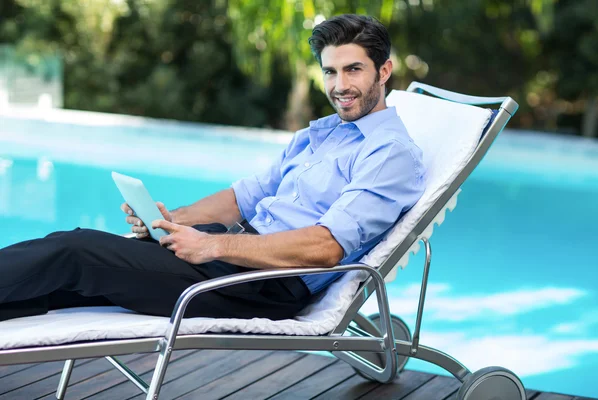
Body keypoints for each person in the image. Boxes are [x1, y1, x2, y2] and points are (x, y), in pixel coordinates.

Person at [0, 14, 425, 323]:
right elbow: (243, 197)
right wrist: (171, 221)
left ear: (384, 71)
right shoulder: (324, 133)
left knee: (74, 252)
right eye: (330, 72)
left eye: (353, 70)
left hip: (265, 283)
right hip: (232, 256)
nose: (339, 86)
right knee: (62, 272)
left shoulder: (389, 154)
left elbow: (326, 247)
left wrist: (214, 248)